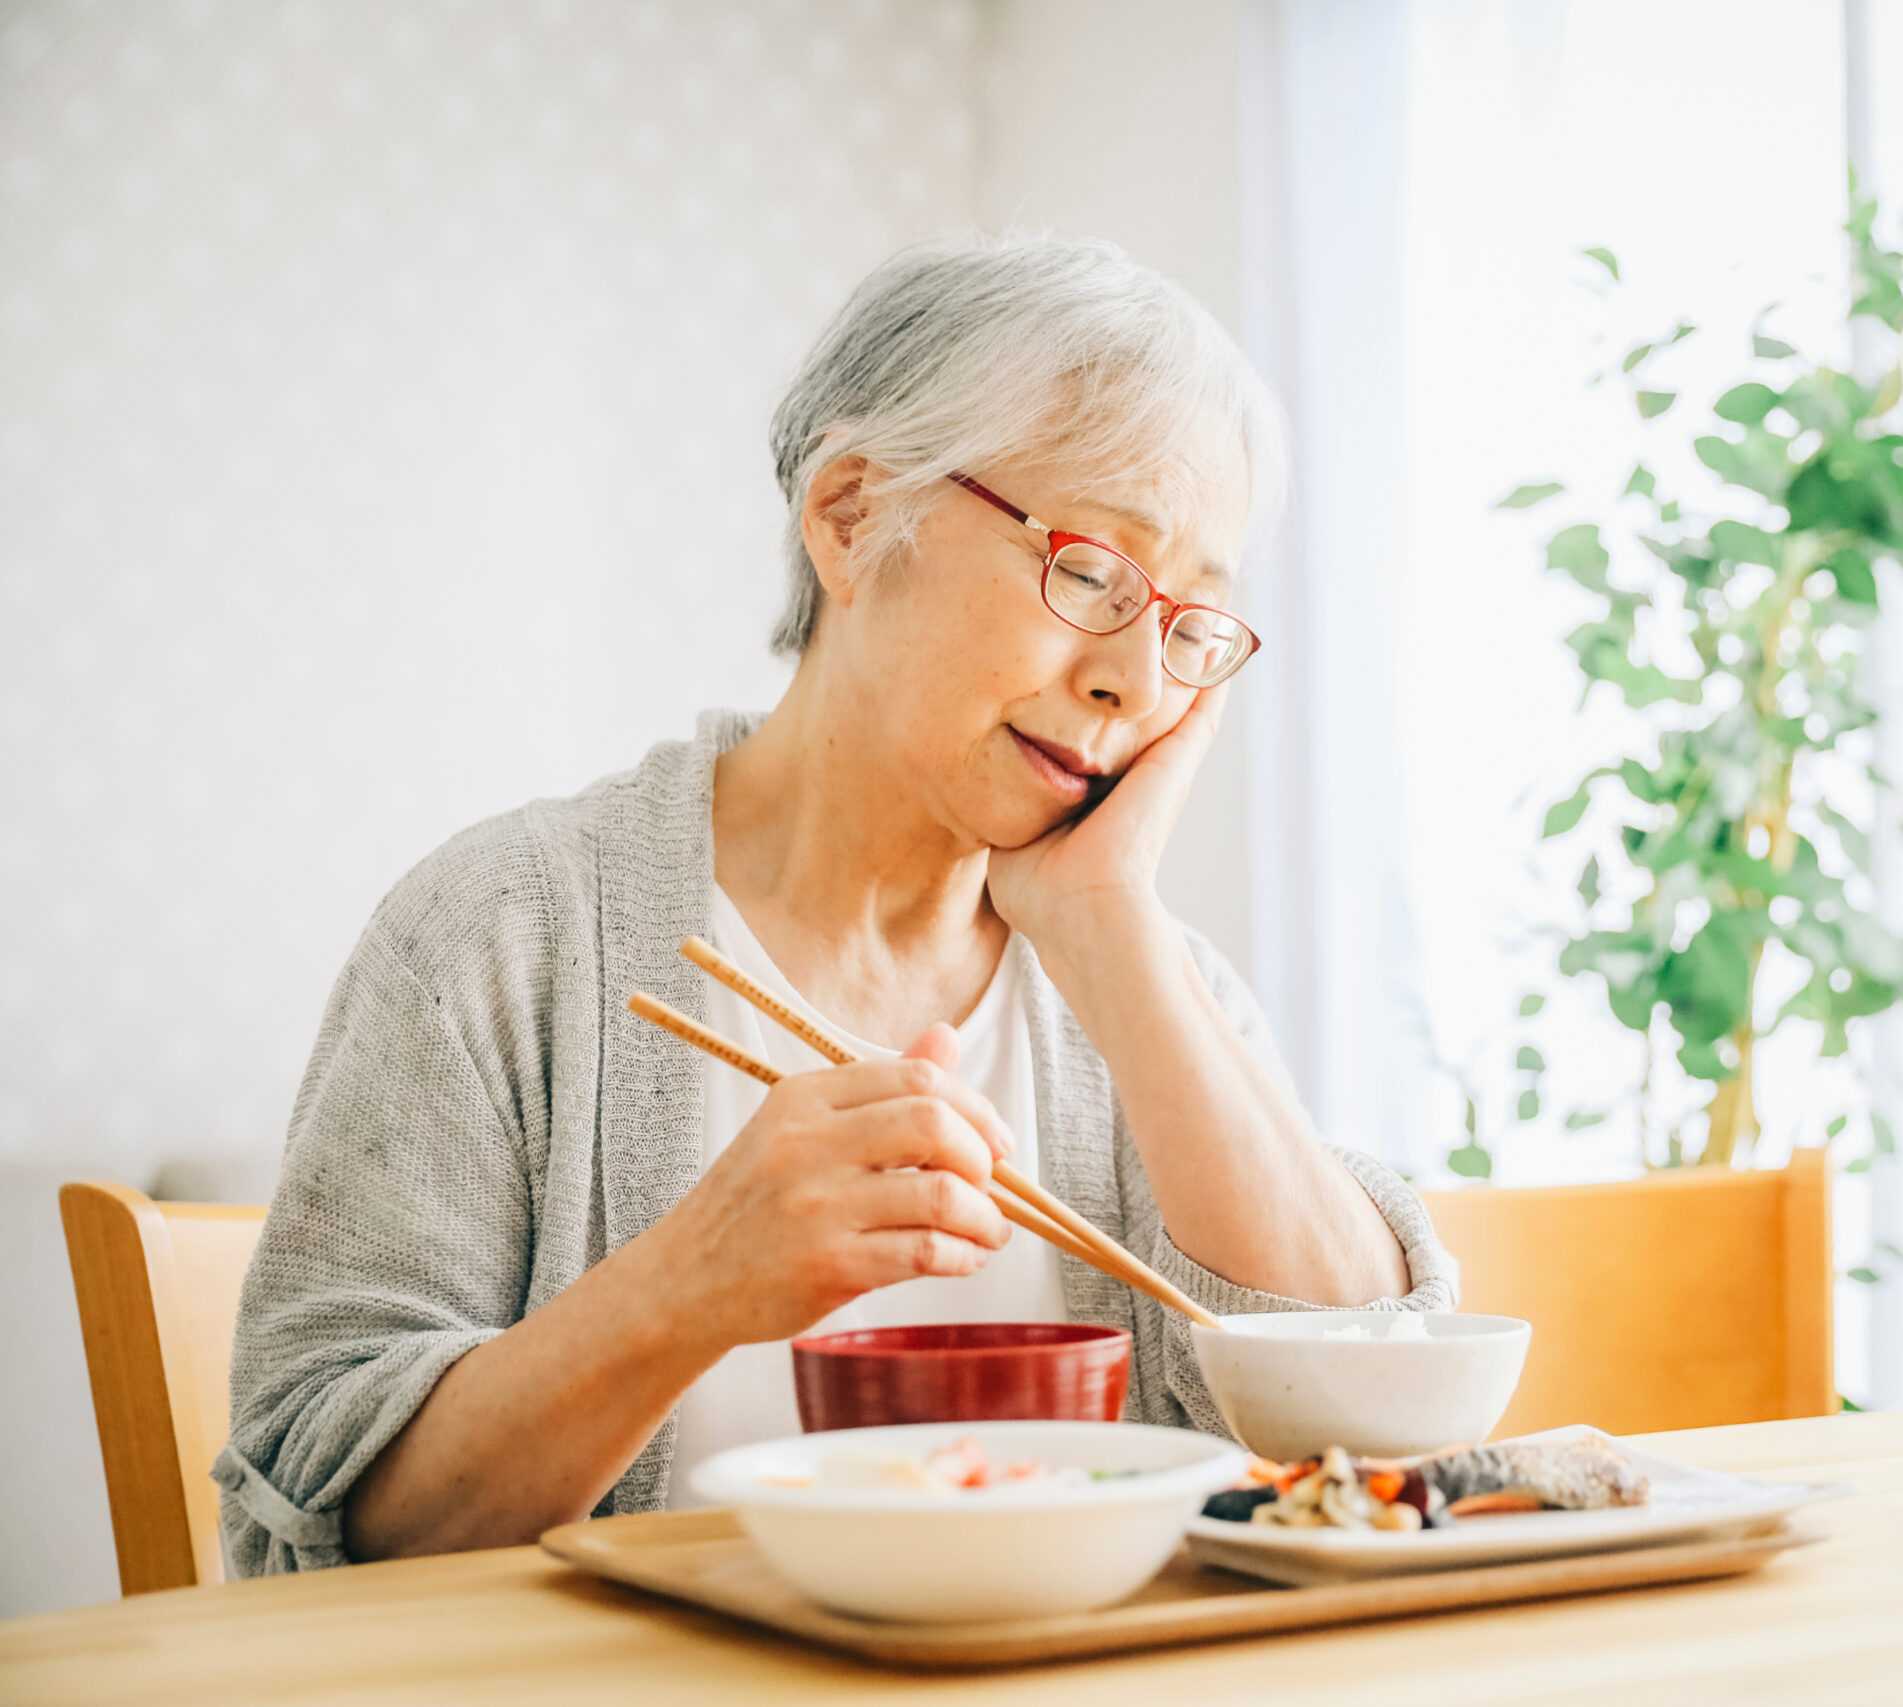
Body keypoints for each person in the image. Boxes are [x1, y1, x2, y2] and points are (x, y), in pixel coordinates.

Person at [217, 235, 1456, 1575]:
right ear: (853, 516)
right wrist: (682, 1290)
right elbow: (317, 1528)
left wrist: (1109, 922)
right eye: (1095, 574)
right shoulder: (501, 937)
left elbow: (1369, 1428)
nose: (1131, 682)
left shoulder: (1157, 991)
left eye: (1185, 625)